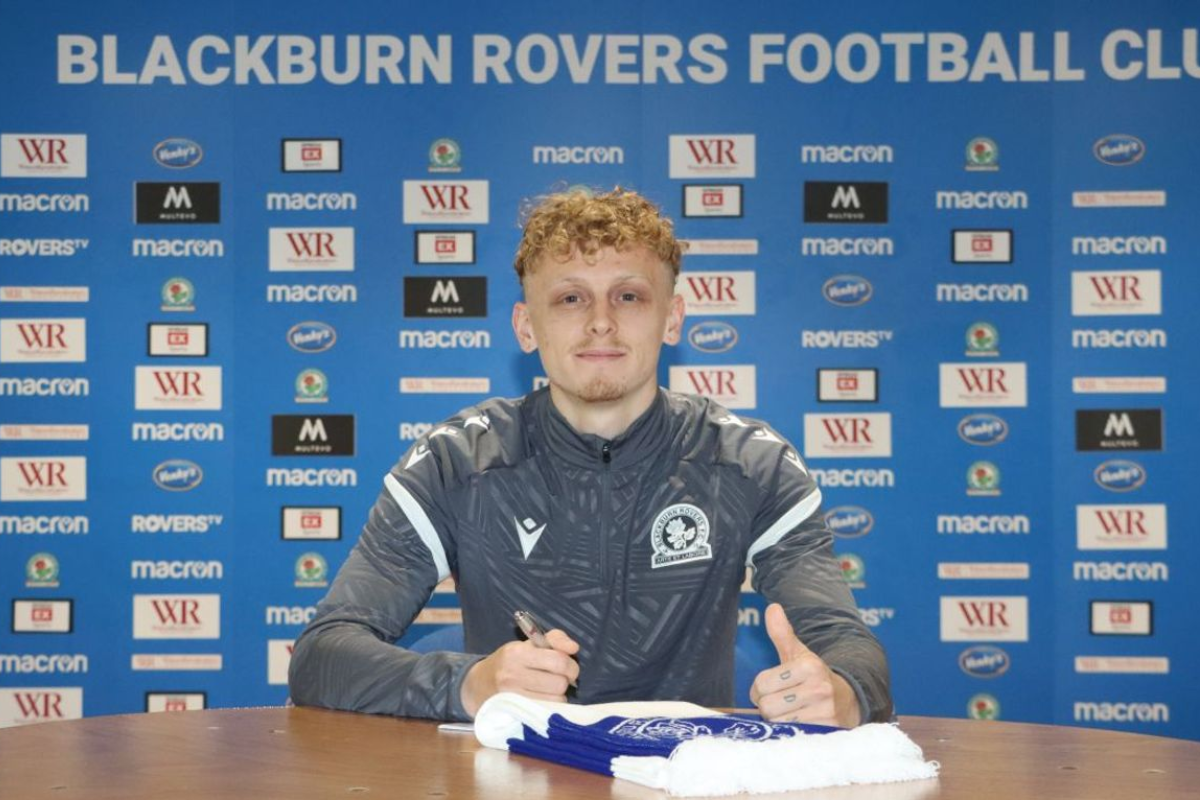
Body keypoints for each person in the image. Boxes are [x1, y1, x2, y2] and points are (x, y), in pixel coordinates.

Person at [288, 187, 892, 726]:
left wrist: (843, 692)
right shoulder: (457, 463)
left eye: (629, 295)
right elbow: (321, 655)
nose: (601, 322)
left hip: (684, 780)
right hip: (513, 782)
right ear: (526, 327)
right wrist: (468, 684)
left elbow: (848, 647)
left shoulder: (750, 464)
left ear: (672, 318)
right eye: (571, 298)